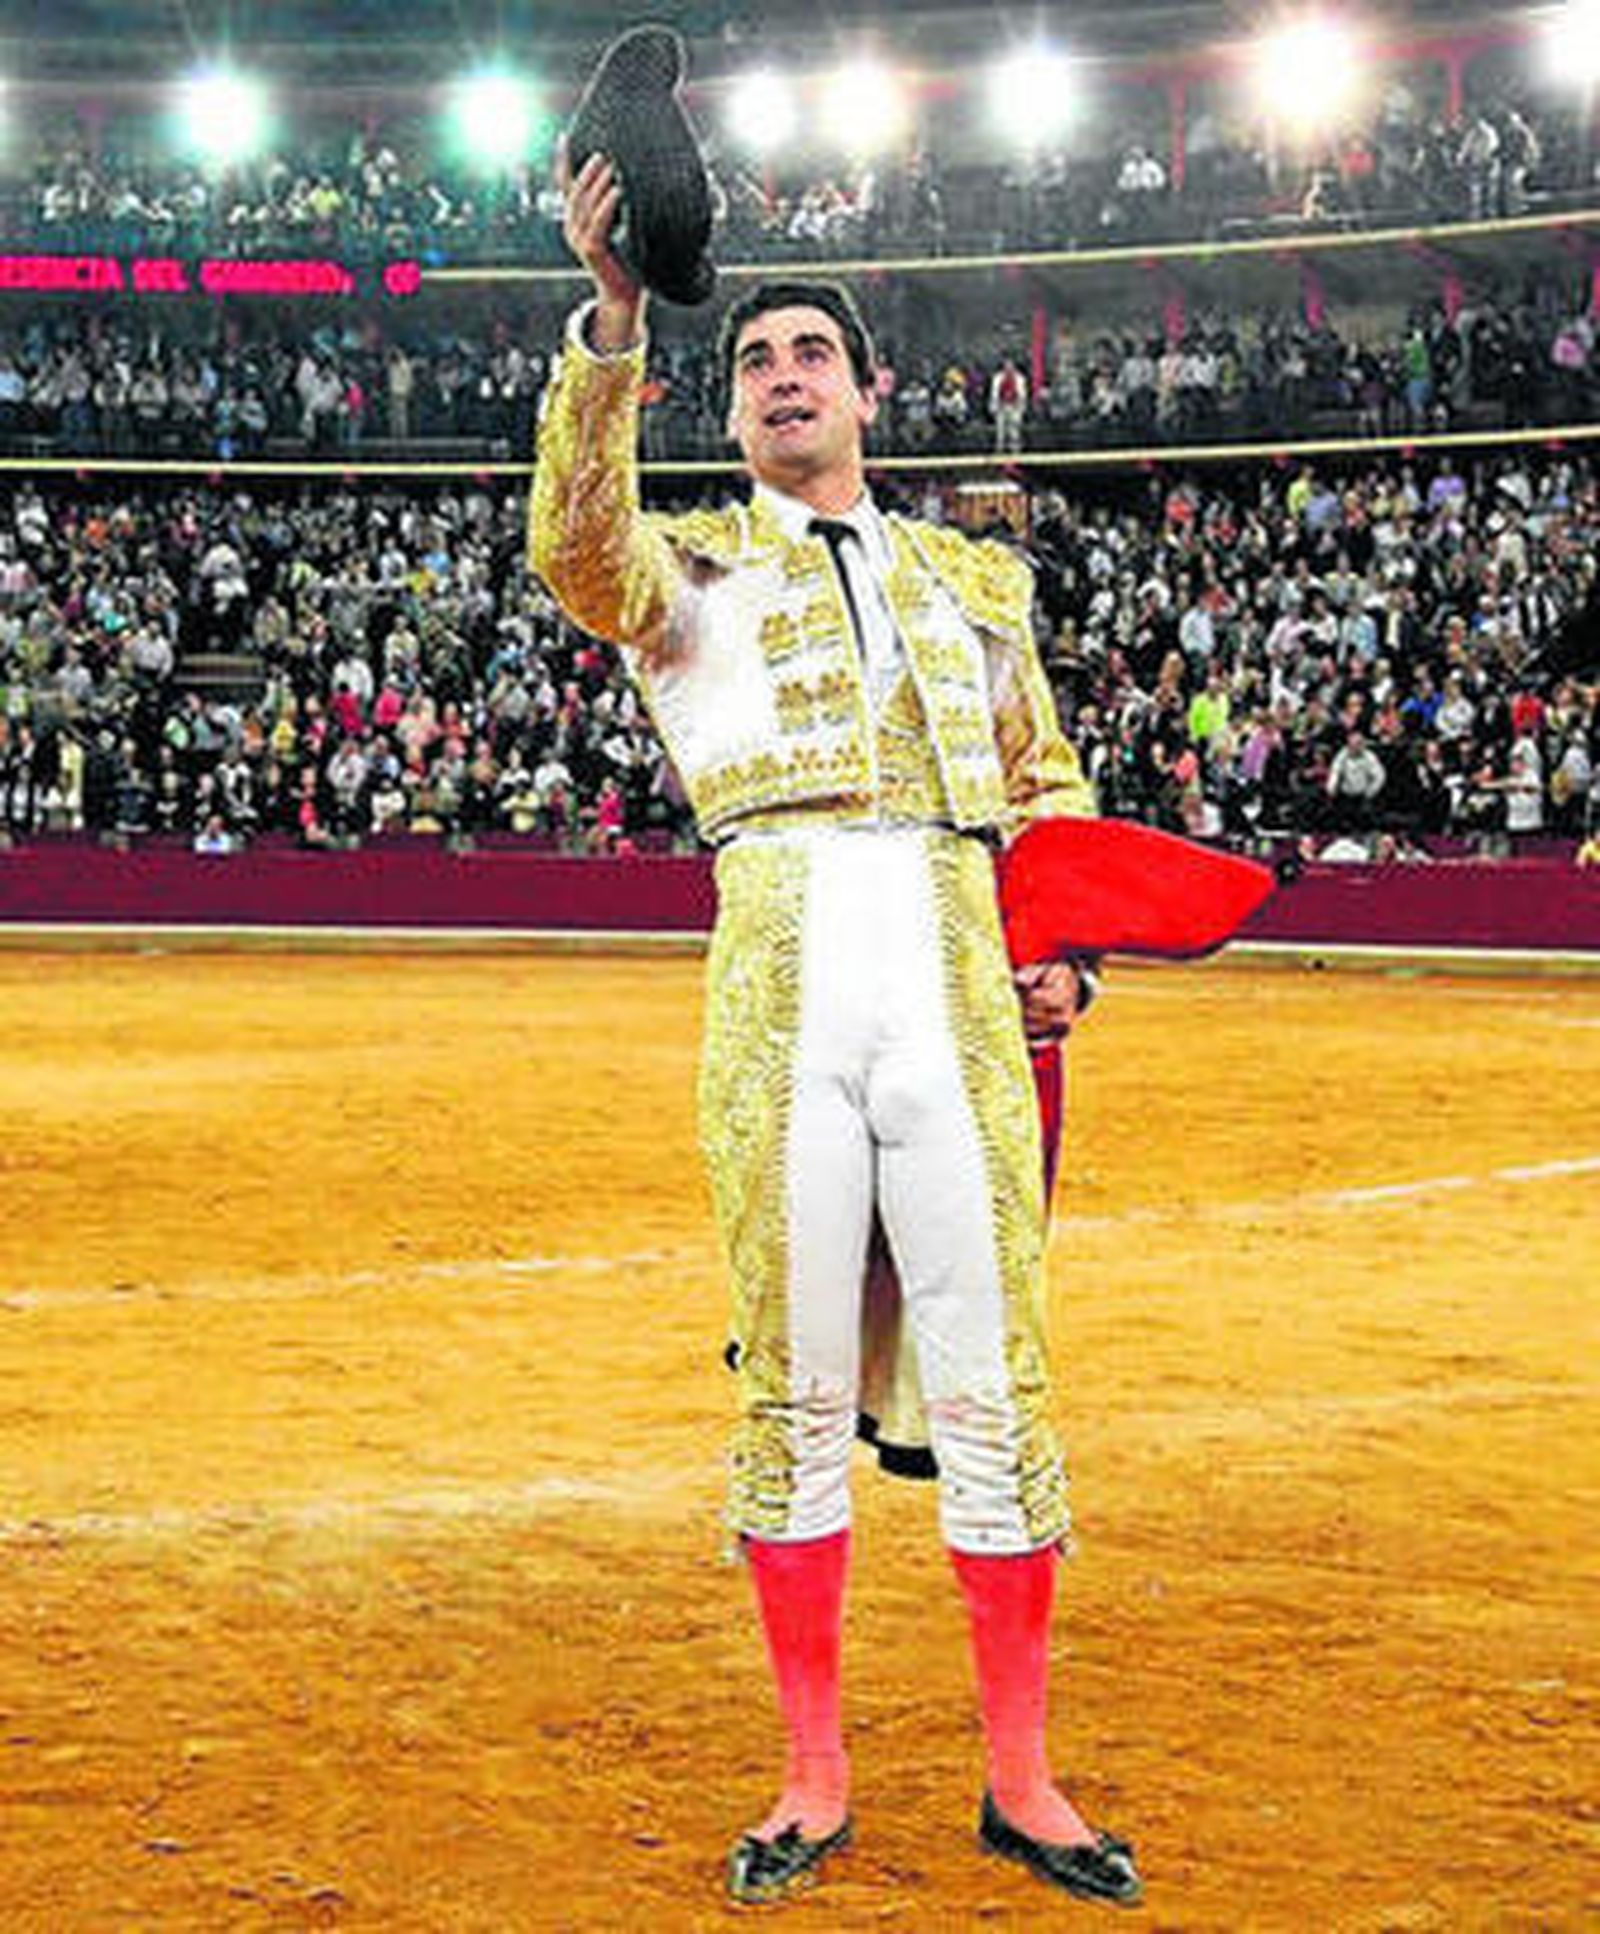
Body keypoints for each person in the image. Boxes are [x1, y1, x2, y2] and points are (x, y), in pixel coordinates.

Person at [529, 149, 1142, 1911]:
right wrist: (621, 320)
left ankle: (1019, 1775)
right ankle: (813, 1771)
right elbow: (572, 538)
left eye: (811, 351)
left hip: (952, 971)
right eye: (758, 360)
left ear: (868, 391)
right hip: (784, 966)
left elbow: (1045, 784)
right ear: (726, 410)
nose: (784, 372)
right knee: (791, 1389)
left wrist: (1065, 948)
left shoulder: (979, 582)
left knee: (998, 1379)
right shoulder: (683, 570)